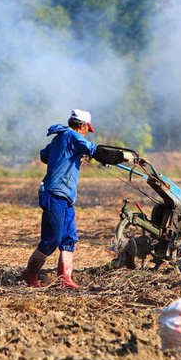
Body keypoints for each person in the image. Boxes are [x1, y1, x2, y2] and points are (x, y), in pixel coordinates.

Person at [21, 109, 133, 289]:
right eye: (87, 129)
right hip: (55, 193)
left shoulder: (60, 138)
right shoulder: (72, 136)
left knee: (69, 238)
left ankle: (65, 279)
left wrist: (68, 155)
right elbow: (95, 150)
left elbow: (44, 155)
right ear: (81, 126)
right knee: (52, 239)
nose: (87, 132)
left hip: (65, 196)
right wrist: (122, 157)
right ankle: (30, 272)